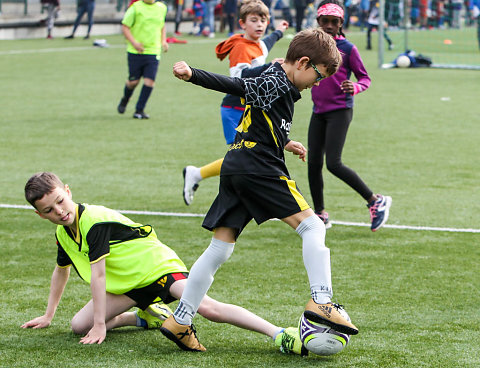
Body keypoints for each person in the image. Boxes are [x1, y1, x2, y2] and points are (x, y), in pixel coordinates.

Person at [160, 28, 359, 352]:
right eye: (318, 76)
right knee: (313, 226)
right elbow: (239, 86)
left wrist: (284, 141)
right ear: (304, 62)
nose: (316, 84)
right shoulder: (278, 80)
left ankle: (181, 319)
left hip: (237, 163)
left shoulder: (282, 78)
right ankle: (322, 301)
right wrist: (192, 74)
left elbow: (263, 117)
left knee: (219, 250)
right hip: (258, 166)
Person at [21, 172, 305, 353]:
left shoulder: (93, 220)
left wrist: (101, 325)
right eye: (49, 210)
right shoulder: (63, 233)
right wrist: (48, 316)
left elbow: (98, 276)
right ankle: (144, 316)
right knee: (77, 326)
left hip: (158, 269)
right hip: (131, 285)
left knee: (207, 308)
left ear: (67, 191)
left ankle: (279, 334)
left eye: (60, 201)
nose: (59, 211)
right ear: (40, 214)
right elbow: (61, 272)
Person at [182, 0, 289, 206]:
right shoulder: (241, 47)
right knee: (240, 157)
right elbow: (241, 76)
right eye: (254, 20)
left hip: (250, 110)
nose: (259, 25)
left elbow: (265, 46)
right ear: (242, 24)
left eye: (263, 20)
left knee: (246, 156)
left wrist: (278, 32)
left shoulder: (256, 44)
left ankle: (197, 175)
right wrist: (270, 66)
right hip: (234, 109)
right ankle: (202, 179)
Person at [308, 0, 392, 232]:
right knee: (313, 164)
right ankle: (320, 214)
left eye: (334, 22)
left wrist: (355, 87)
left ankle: (375, 200)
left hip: (340, 111)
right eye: (324, 21)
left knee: (333, 163)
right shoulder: (311, 46)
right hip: (318, 111)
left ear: (341, 24)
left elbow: (365, 78)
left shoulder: (348, 49)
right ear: (318, 22)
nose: (329, 26)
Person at [116, 0, 169, 120]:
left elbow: (162, 24)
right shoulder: (135, 8)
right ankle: (125, 99)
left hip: (153, 51)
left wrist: (163, 40)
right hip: (135, 52)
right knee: (133, 82)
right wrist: (134, 43)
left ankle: (139, 110)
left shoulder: (162, 8)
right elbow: (125, 27)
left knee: (149, 81)